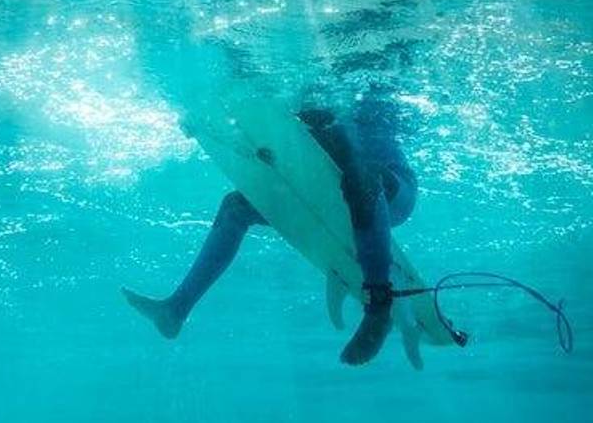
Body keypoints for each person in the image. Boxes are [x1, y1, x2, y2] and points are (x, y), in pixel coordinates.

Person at [122, 94, 418, 366]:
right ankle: (175, 310)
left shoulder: (348, 97)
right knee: (235, 207)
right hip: (324, 192)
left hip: (392, 187)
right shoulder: (292, 101)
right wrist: (204, 127)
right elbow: (261, 142)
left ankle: (379, 307)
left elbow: (349, 152)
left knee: (360, 175)